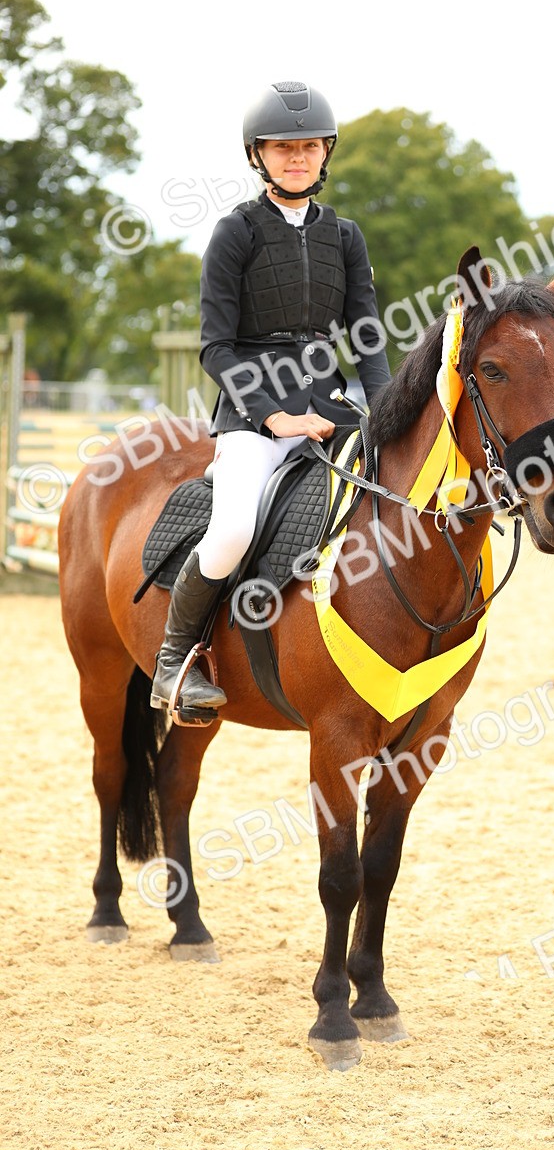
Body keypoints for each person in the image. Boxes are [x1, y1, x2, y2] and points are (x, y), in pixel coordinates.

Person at [151, 80, 392, 713]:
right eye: (283, 147)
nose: (297, 158)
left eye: (309, 147)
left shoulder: (345, 235)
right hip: (252, 419)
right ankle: (175, 662)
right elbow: (216, 347)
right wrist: (273, 414)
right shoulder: (235, 233)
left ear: (325, 154)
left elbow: (366, 335)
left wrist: (385, 409)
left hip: (332, 409)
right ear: (258, 155)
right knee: (232, 530)